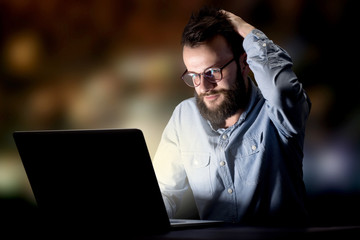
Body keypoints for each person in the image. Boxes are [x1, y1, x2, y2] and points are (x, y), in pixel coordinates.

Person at [153, 7, 311, 226]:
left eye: (212, 72)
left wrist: (246, 29)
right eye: (193, 76)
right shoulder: (184, 117)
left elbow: (282, 91)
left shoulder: (277, 113)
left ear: (245, 63)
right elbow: (163, 191)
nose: (204, 86)